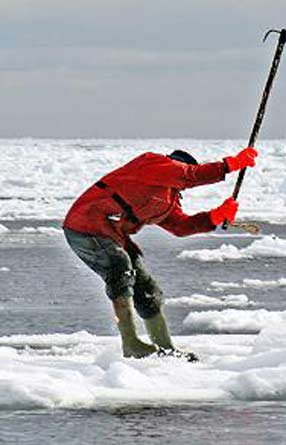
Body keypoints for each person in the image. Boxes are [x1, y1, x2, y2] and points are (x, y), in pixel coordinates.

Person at [63, 147, 258, 359]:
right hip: (85, 225)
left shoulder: (167, 199)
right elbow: (188, 175)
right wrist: (229, 165)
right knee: (120, 267)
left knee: (147, 288)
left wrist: (215, 216)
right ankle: (131, 343)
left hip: (112, 235)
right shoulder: (151, 163)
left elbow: (181, 226)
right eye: (179, 169)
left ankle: (165, 349)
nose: (178, 175)